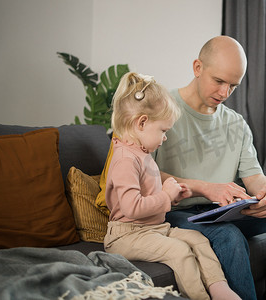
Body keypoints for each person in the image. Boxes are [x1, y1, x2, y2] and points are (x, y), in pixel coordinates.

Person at [152, 36, 266, 300]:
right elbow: (146, 175)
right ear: (197, 67)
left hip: (223, 210)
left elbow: (254, 176)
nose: (225, 93)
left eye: (233, 86)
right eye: (219, 81)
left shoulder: (236, 124)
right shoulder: (162, 108)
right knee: (228, 235)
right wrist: (205, 188)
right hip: (177, 213)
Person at [103, 72, 241, 300]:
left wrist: (174, 195)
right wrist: (165, 197)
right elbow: (131, 208)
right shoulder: (125, 159)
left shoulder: (143, 153)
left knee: (199, 240)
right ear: (142, 122)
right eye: (163, 131)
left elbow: (151, 198)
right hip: (126, 236)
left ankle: (219, 289)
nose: (165, 138)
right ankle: (200, 297)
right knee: (179, 251)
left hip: (153, 229)